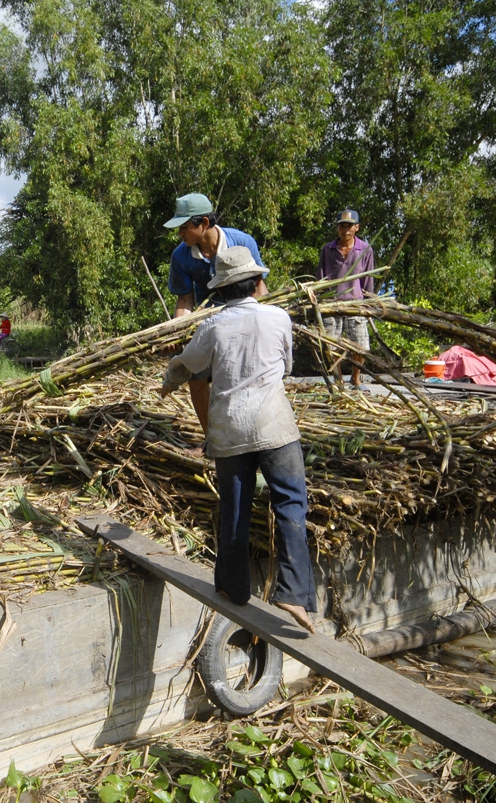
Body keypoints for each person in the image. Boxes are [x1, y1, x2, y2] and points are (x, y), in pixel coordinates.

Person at [161, 245, 317, 633]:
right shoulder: (279, 318)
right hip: (274, 425)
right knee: (291, 504)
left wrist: (168, 381)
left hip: (228, 428)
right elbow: (287, 365)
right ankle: (293, 593)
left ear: (222, 290)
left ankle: (233, 587)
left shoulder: (211, 326)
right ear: (257, 283)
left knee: (233, 508)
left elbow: (187, 366)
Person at [164, 193, 265, 441]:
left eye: (185, 227)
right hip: (209, 324)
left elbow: (259, 287)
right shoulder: (181, 256)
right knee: (196, 377)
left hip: (244, 316)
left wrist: (260, 324)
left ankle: (252, 436)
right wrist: (177, 332)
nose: (181, 234)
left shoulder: (241, 243)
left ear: (204, 224)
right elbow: (185, 301)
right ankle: (213, 440)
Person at [316, 209, 376, 385]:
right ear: (338, 228)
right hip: (331, 305)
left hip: (355, 304)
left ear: (356, 227)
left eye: (349, 226)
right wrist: (318, 300)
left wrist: (369, 303)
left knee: (361, 346)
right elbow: (321, 277)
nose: (346, 230)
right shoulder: (328, 250)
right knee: (331, 347)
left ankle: (355, 378)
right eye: (342, 226)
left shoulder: (365, 249)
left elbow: (368, 278)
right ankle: (339, 380)